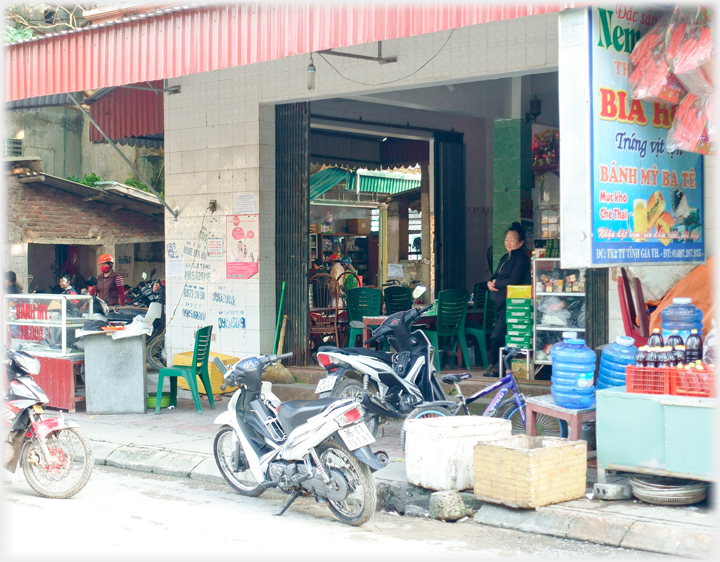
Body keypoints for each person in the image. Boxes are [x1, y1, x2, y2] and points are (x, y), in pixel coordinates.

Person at [486, 222, 530, 376]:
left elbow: (514, 280)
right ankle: (495, 366)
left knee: (498, 335)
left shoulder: (522, 259)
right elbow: (495, 275)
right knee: (499, 334)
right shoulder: (505, 257)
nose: (508, 243)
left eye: (512, 240)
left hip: (512, 303)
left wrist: (496, 283)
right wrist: (489, 282)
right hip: (497, 301)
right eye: (506, 239)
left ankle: (497, 366)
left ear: (521, 242)